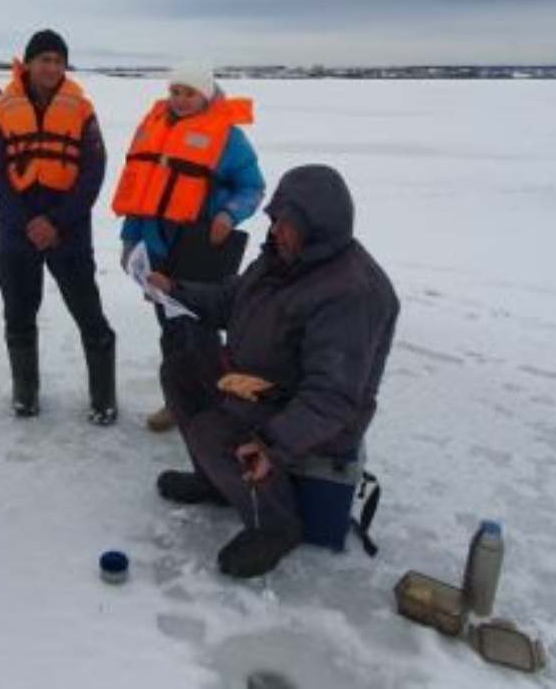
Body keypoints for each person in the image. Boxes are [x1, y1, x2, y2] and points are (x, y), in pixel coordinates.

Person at [147, 164, 399, 579]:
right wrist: (175, 290)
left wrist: (272, 443)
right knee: (181, 372)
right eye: (276, 218)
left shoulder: (351, 293)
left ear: (317, 227)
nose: (276, 229)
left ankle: (276, 526)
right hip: (261, 384)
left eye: (288, 223)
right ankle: (217, 481)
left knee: (217, 429)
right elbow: (232, 299)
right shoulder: (282, 257)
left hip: (317, 415)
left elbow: (332, 397)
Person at [113, 61, 265, 432]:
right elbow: (141, 190)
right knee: (170, 330)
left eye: (189, 92)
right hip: (157, 248)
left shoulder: (228, 137)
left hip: (201, 251)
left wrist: (229, 214)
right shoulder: (154, 128)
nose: (180, 100)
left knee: (201, 335)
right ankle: (177, 401)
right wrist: (130, 240)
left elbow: (252, 187)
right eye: (175, 91)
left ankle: (214, 408)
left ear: (206, 95)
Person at [0, 29, 118, 423]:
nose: (52, 67)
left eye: (59, 60)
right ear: (28, 63)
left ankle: (103, 398)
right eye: (45, 59)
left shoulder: (81, 109)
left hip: (69, 229)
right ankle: (25, 394)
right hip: (16, 231)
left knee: (89, 313)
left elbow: (93, 172)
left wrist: (57, 220)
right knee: (19, 314)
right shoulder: (2, 109)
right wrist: (27, 222)